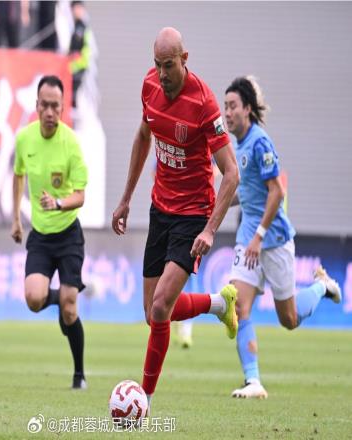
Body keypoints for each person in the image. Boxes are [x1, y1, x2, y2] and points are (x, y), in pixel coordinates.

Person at [112, 27, 240, 411]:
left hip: (193, 215)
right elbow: (143, 137)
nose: (162, 73)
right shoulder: (149, 86)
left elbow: (231, 173)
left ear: (184, 59)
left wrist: (210, 229)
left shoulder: (204, 103)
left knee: (160, 307)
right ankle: (218, 304)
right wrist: (125, 199)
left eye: (168, 65)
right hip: (160, 209)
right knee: (152, 313)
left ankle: (144, 401)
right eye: (157, 65)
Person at [224, 76, 342, 399]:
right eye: (225, 107)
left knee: (288, 319)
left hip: (272, 239)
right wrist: (216, 204)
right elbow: (247, 193)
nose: (227, 113)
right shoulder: (238, 146)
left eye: (233, 106)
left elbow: (277, 191)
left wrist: (259, 236)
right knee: (239, 307)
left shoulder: (260, 142)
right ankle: (253, 381)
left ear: (248, 109)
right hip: (248, 239)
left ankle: (322, 286)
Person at [11, 75, 88, 389]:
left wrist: (58, 203)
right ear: (37, 105)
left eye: (56, 106)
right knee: (33, 299)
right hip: (41, 236)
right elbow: (18, 175)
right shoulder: (24, 139)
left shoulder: (71, 144)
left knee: (70, 311)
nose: (50, 112)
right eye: (45, 105)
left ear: (63, 107)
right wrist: (16, 219)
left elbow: (80, 196)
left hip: (68, 233)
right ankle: (62, 296)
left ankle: (79, 374)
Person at [68, 1, 91, 108]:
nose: (77, 11)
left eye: (79, 8)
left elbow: (76, 47)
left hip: (78, 65)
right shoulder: (76, 25)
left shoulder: (80, 27)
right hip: (77, 65)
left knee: (74, 94)